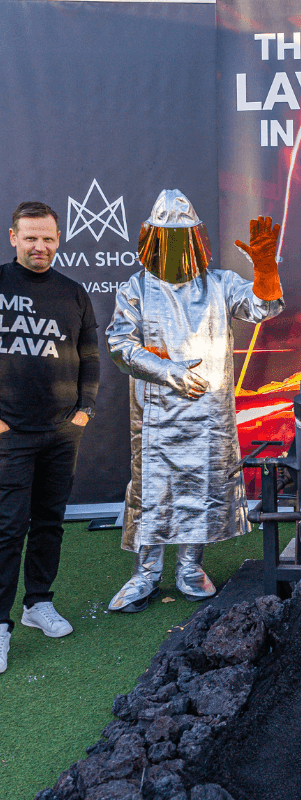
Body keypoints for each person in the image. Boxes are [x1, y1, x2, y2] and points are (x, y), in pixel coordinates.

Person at [106, 190, 284, 612]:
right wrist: (169, 372)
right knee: (153, 489)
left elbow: (263, 308)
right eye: (166, 239)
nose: (174, 249)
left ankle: (189, 568)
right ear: (151, 240)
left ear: (196, 239)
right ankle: (145, 574)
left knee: (200, 485)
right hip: (156, 412)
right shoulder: (136, 288)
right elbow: (120, 345)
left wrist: (265, 268)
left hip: (208, 413)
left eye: (181, 238)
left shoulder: (219, 284)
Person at [0, 201, 99, 673]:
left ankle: (38, 602)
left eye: (48, 238)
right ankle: (0, 626)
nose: (40, 246)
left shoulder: (74, 293)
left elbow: (90, 355)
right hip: (10, 433)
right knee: (7, 528)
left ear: (58, 240)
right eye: (31, 237)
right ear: (14, 238)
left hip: (63, 432)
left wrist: (84, 412)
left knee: (49, 522)